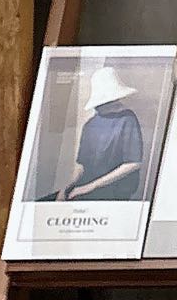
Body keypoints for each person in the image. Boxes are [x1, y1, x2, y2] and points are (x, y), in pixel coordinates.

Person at [52, 66, 145, 203]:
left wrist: (90, 187)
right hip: (86, 188)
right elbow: (82, 165)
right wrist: (66, 188)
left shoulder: (127, 119)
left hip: (113, 192)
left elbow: (133, 163)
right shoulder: (90, 124)